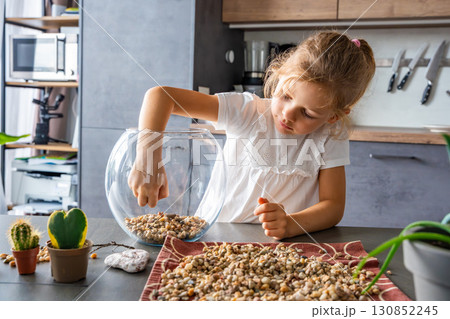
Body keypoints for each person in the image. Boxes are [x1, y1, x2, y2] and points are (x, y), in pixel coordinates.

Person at [128, 31, 376, 240]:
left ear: (333, 116)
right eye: (286, 96)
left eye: (308, 113)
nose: (288, 114)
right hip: (212, 237)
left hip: (281, 250)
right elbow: (160, 96)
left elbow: (333, 207)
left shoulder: (330, 136)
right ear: (278, 75)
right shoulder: (247, 111)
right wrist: (148, 159)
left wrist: (290, 224)